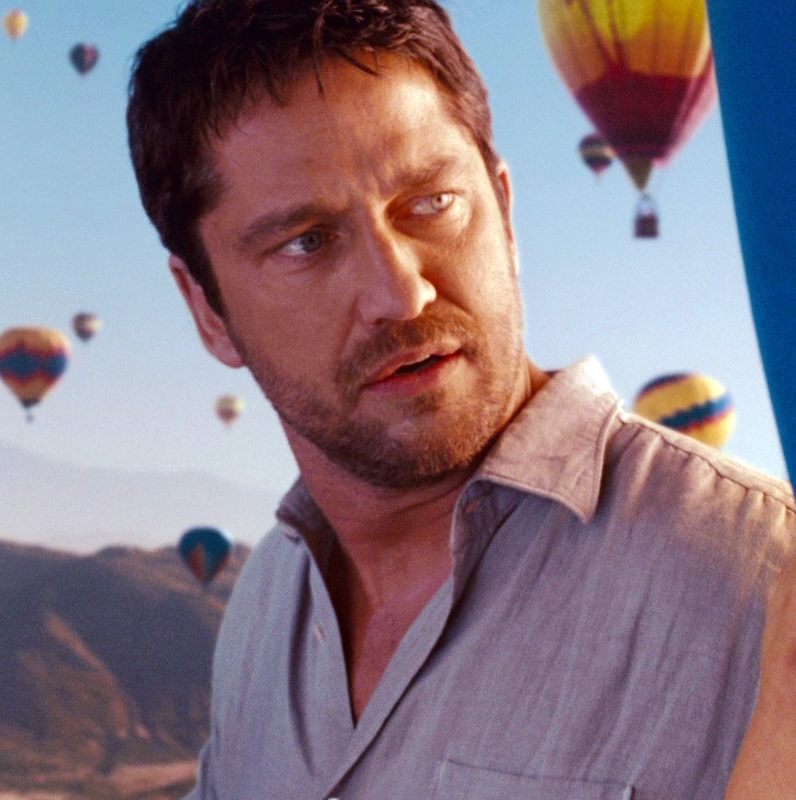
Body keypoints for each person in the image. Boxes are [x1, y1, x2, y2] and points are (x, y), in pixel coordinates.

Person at [126, 1, 796, 797]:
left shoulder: (763, 582)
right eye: (306, 241)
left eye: (432, 203)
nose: (401, 294)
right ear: (206, 310)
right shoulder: (267, 601)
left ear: (504, 212)